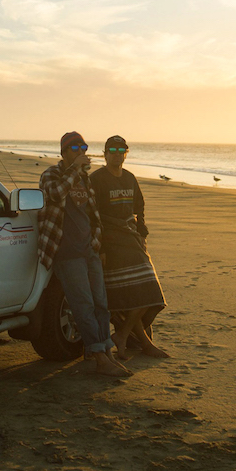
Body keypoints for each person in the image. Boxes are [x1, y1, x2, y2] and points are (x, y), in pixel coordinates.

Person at [38, 131, 131, 377]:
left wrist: (96, 242)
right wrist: (74, 170)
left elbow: (93, 213)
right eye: (75, 148)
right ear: (64, 152)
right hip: (66, 252)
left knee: (102, 304)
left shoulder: (83, 179)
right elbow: (55, 193)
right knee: (83, 305)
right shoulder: (52, 174)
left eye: (84, 147)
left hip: (88, 250)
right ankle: (99, 358)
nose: (81, 152)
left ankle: (106, 352)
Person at [90, 135, 169, 359]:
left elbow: (140, 207)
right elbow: (92, 215)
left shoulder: (130, 178)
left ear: (126, 153)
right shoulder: (96, 179)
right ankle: (140, 342)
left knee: (150, 293)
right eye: (112, 150)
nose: (117, 153)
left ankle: (123, 335)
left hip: (131, 237)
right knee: (129, 297)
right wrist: (102, 247)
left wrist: (142, 232)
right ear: (105, 154)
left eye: (121, 149)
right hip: (111, 242)